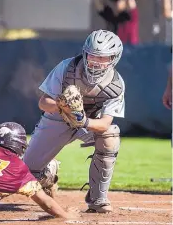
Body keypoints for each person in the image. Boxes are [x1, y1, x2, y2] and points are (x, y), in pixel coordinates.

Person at [23, 29, 125, 213]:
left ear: (114, 58)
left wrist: (82, 120)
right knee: (27, 175)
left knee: (111, 136)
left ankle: (98, 199)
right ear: (85, 54)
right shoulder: (68, 67)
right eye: (92, 56)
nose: (96, 61)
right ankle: (48, 173)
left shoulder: (116, 84)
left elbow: (103, 124)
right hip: (58, 119)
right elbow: (43, 103)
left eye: (103, 58)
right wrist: (64, 107)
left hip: (88, 123)